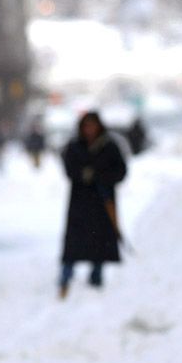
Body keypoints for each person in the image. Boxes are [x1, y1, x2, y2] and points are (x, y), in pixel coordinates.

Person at [59, 111, 127, 299]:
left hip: (102, 202)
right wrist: (82, 175)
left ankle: (96, 277)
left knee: (100, 242)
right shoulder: (74, 146)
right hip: (80, 202)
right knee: (74, 242)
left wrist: (101, 177)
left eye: (92, 125)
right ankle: (66, 275)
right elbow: (69, 168)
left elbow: (120, 171)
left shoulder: (109, 146)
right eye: (86, 126)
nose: (89, 130)